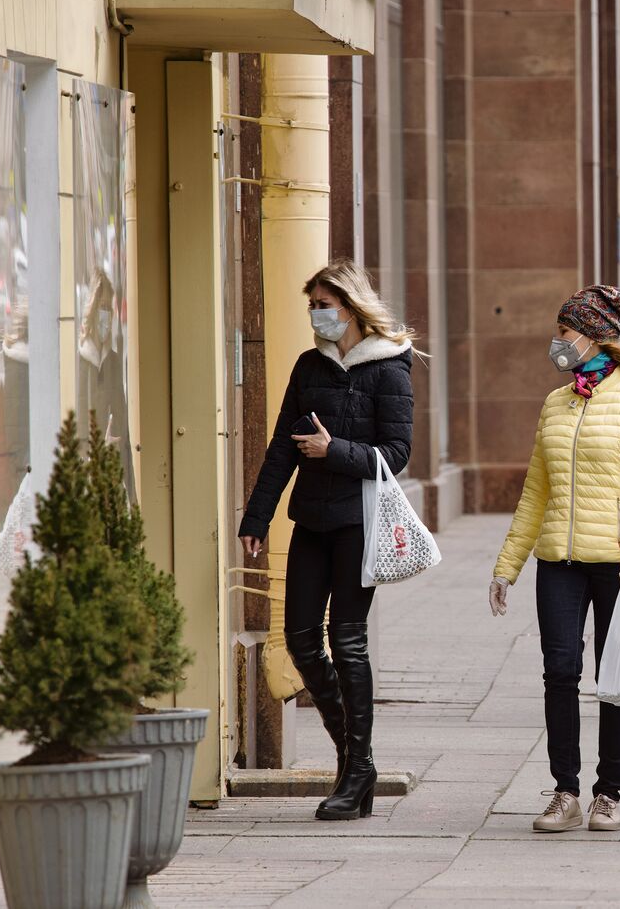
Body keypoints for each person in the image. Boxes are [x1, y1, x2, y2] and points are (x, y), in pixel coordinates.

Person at [487, 286, 620, 833]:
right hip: (558, 564)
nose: (557, 342)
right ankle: (564, 790)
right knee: (559, 674)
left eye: (564, 332)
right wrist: (507, 566)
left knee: (613, 678)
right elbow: (535, 494)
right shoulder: (556, 402)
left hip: (618, 565)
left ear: (594, 335)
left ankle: (608, 792)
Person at [239, 260, 415, 821]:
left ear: (352, 308)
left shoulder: (389, 370)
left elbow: (397, 454)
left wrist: (335, 450)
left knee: (348, 640)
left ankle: (356, 768)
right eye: (311, 305)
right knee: (298, 639)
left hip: (359, 522)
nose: (317, 315)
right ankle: (355, 761)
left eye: (325, 305)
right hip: (311, 520)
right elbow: (281, 447)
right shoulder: (308, 366)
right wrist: (256, 517)